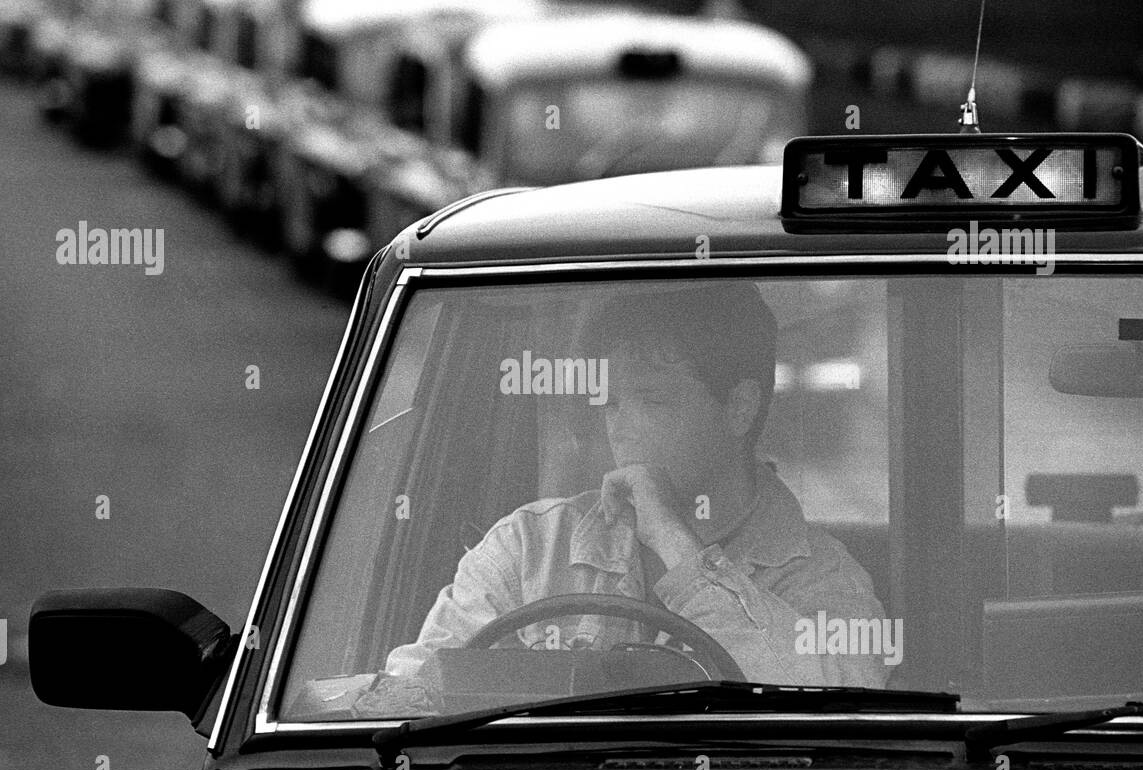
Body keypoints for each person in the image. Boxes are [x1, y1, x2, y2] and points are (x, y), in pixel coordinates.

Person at [382, 282, 892, 689]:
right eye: (612, 402)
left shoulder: (827, 586)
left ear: (739, 408)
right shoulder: (528, 548)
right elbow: (412, 692)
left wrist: (676, 546)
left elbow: (826, 716)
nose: (620, 426)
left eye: (653, 401)